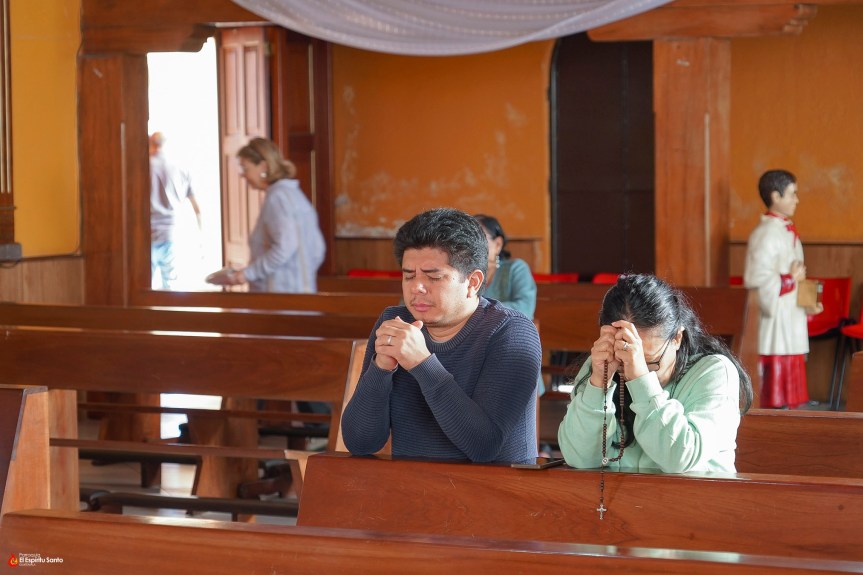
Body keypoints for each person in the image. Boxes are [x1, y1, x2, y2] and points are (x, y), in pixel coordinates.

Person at [341, 207, 542, 464]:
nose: (417, 288)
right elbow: (361, 442)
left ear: (473, 282)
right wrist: (380, 369)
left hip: (494, 495)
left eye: (433, 277)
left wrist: (422, 363)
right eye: (408, 276)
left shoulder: (511, 332)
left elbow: (483, 446)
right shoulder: (397, 323)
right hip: (413, 493)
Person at [557, 274, 753, 473]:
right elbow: (579, 458)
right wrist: (599, 383)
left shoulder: (715, 372)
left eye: (649, 361)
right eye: (624, 360)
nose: (630, 369)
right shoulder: (603, 364)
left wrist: (641, 379)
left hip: (694, 501)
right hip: (619, 501)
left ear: (677, 337)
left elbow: (679, 458)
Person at [743, 169, 822, 408]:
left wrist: (808, 303)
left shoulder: (788, 232)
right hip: (776, 323)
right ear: (775, 196)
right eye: (792, 194)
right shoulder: (765, 235)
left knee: (791, 377)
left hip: (790, 318)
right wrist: (789, 279)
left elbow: (800, 272)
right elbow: (756, 280)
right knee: (775, 383)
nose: (796, 200)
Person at [208, 137, 325, 293]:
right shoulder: (293, 194)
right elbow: (318, 249)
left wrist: (247, 274)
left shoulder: (277, 198)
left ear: (263, 166)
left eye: (245, 168)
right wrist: (300, 273)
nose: (243, 175)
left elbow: (285, 247)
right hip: (299, 290)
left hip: (280, 296)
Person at [149, 132, 201, 290]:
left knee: (145, 287)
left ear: (151, 144)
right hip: (172, 233)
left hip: (148, 233)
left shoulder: (143, 166)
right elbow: (196, 206)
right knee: (171, 286)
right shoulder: (181, 167)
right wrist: (200, 235)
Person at [474, 214, 538, 319]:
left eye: (478, 239)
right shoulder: (463, 273)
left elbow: (526, 308)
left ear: (498, 244)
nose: (472, 246)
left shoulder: (516, 268)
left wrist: (478, 310)